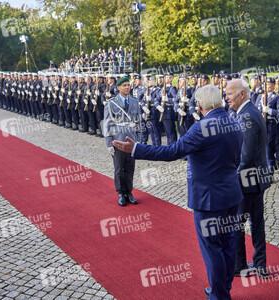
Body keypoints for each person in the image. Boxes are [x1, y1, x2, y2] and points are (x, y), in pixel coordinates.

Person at [113, 84, 244, 300]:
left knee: (213, 250)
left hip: (208, 200)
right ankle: (223, 289)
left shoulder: (201, 128)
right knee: (228, 245)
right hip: (231, 195)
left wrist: (136, 149)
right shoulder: (234, 123)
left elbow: (172, 151)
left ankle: (219, 295)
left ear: (200, 104)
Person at [225, 79, 271, 279]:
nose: (226, 97)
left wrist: (231, 178)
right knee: (256, 223)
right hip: (255, 179)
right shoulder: (247, 111)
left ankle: (240, 266)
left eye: (229, 93)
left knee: (238, 223)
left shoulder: (247, 116)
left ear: (241, 94)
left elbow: (246, 155)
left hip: (247, 180)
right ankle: (260, 265)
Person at [103, 77, 141, 206]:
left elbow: (139, 121)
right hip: (118, 140)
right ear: (118, 87)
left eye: (128, 85)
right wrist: (109, 143)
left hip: (131, 140)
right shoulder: (111, 102)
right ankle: (120, 193)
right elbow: (107, 123)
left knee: (130, 168)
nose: (127, 87)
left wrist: (139, 139)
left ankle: (129, 192)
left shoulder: (135, 102)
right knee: (119, 169)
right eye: (124, 85)